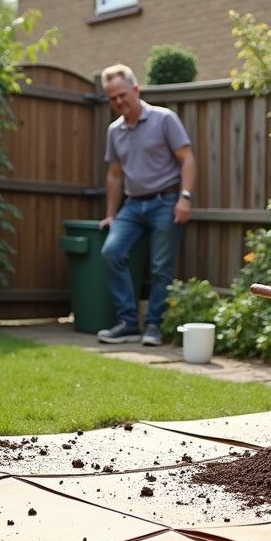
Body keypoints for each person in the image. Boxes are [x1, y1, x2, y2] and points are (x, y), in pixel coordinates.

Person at [96, 63, 197, 346]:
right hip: (132, 205)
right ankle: (128, 323)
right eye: (112, 98)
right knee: (112, 251)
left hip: (166, 201)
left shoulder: (164, 119)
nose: (118, 102)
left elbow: (187, 158)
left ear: (136, 90)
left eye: (122, 95)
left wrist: (185, 198)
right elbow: (115, 175)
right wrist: (110, 214)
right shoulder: (114, 131)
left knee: (161, 266)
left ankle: (153, 325)